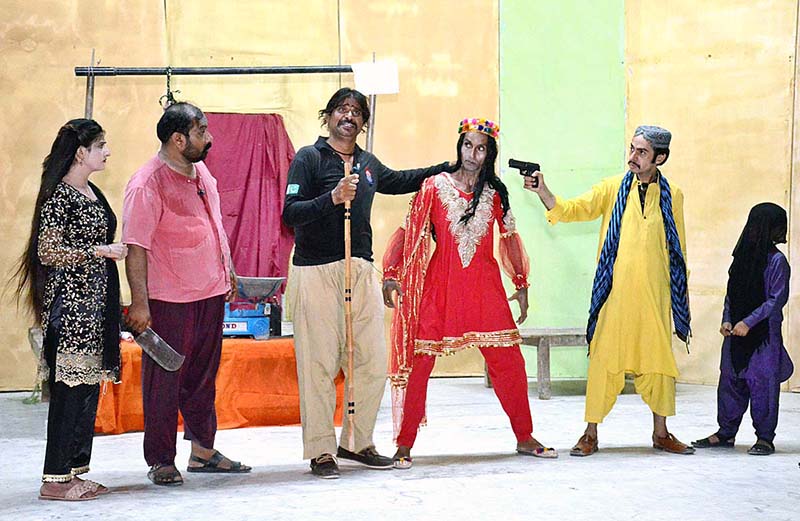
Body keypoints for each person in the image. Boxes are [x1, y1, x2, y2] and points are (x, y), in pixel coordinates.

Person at [282, 87, 451, 479]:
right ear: (328, 116)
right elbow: (290, 213)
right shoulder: (309, 158)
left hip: (359, 269)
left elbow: (403, 179)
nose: (349, 116)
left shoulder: (367, 163)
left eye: (357, 112)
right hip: (317, 271)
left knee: (372, 360)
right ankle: (322, 450)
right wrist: (332, 197)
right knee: (319, 364)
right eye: (342, 109)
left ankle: (356, 441)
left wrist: (447, 166)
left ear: (363, 122)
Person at [383, 118, 556, 469]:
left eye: (480, 148)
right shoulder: (433, 187)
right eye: (467, 146)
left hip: (485, 290)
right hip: (440, 288)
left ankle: (524, 435)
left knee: (509, 363)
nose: (472, 154)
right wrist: (391, 273)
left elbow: (509, 240)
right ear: (459, 147)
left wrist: (520, 284)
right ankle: (404, 443)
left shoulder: (496, 194)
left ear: (488, 153)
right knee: (419, 365)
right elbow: (409, 231)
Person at [524, 125, 695, 456]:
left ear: (660, 158)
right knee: (603, 362)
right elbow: (573, 209)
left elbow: (678, 250)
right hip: (614, 297)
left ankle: (661, 433)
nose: (632, 156)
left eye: (642, 152)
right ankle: (590, 434)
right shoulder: (612, 188)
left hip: (653, 296)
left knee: (658, 364)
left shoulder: (673, 195)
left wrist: (678, 299)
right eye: (632, 149)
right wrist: (543, 192)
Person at [123, 102, 249, 486]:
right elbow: (136, 247)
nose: (209, 138)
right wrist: (141, 304)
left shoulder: (201, 172)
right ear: (178, 139)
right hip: (169, 299)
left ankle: (203, 451)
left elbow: (212, 225)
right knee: (165, 380)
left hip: (210, 293)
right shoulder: (146, 183)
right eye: (201, 132)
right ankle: (161, 459)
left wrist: (226, 273)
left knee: (202, 376)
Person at [12, 119, 127, 500]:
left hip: (95, 309)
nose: (107, 151)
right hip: (72, 310)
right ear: (81, 152)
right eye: (101, 145)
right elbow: (47, 251)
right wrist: (98, 251)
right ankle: (54, 478)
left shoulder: (91, 192)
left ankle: (75, 472)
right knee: (68, 394)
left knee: (87, 392)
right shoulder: (60, 196)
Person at [693, 203, 793, 455]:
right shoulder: (741, 259)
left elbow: (776, 299)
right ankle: (725, 432)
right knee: (730, 381)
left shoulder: (777, 262)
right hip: (735, 333)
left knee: (763, 385)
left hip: (763, 336)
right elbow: (731, 294)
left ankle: (765, 437)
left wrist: (748, 322)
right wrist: (727, 319)